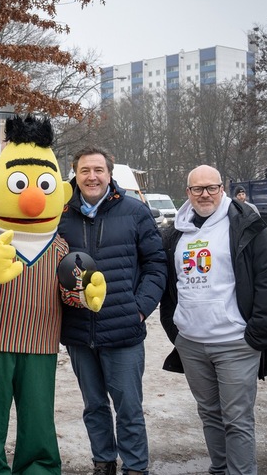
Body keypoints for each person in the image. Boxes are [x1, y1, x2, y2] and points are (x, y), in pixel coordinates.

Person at [0, 115, 106, 474]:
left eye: (44, 186)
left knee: (38, 415)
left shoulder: (60, 246)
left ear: (61, 194)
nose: (32, 198)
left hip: (40, 341)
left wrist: (84, 295)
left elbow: (67, 291)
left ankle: (39, 467)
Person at [159, 165, 267, 475]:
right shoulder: (175, 233)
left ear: (222, 189)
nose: (205, 194)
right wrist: (176, 330)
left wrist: (257, 334)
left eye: (211, 187)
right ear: (188, 192)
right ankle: (219, 469)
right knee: (209, 413)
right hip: (191, 344)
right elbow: (167, 283)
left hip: (235, 343)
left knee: (237, 419)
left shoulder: (245, 225)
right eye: (197, 189)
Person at [57, 146, 167, 475]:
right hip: (79, 330)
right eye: (85, 170)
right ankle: (103, 462)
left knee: (129, 408)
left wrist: (139, 309)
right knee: (94, 406)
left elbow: (156, 265)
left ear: (109, 174)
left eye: (98, 170)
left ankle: (135, 467)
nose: (91, 177)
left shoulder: (135, 212)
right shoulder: (60, 214)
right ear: (75, 174)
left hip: (123, 329)